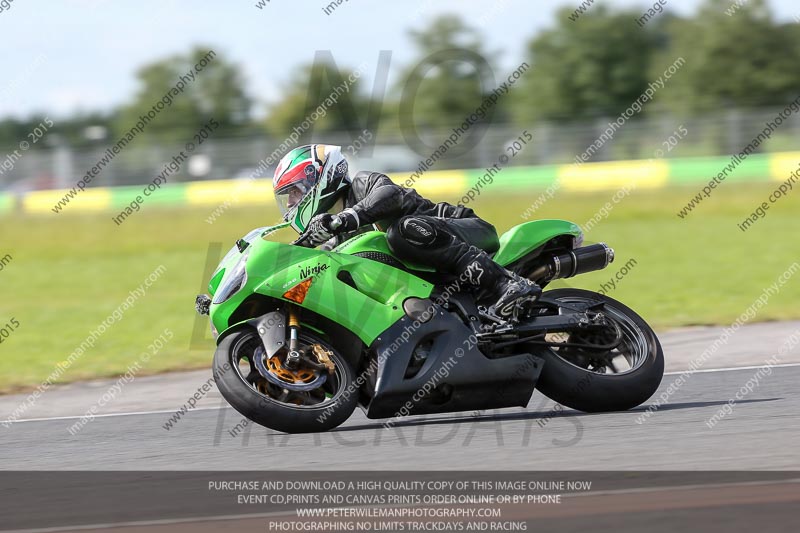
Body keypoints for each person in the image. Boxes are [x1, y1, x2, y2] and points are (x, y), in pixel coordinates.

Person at [272, 144, 541, 319]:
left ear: (317, 176)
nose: (293, 202)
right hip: (438, 281)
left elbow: (390, 195)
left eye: (295, 191)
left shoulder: (363, 184)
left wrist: (342, 219)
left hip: (467, 230)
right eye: (288, 197)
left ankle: (506, 283)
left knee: (402, 231)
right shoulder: (337, 239)